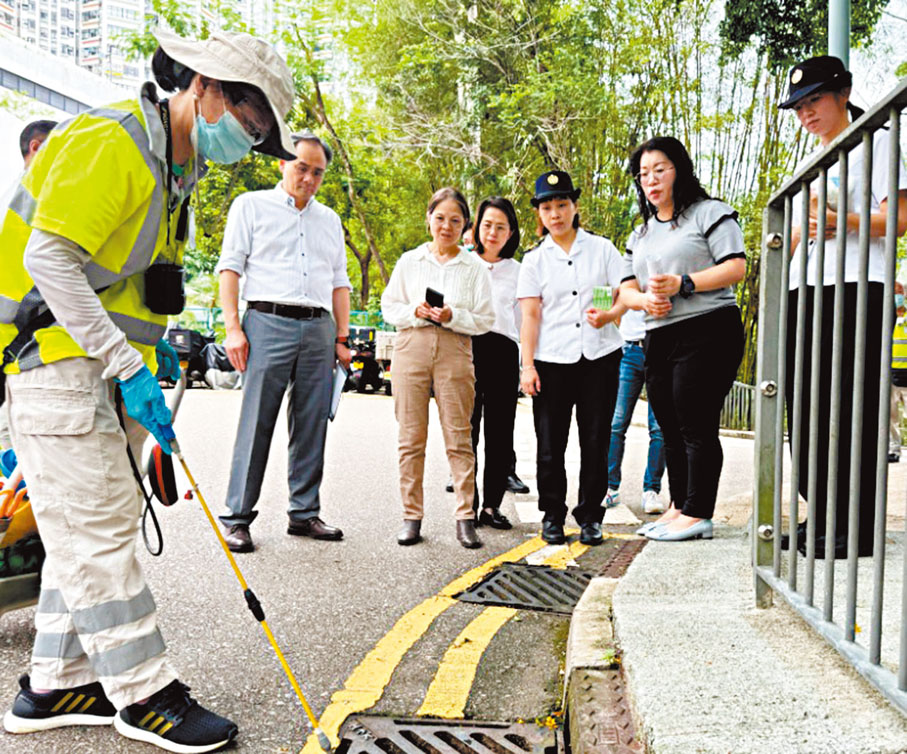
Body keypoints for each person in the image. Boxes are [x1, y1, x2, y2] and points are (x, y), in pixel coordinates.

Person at [0, 27, 296, 752]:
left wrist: (145, 359)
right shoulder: (117, 140)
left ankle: (54, 684)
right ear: (205, 85)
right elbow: (50, 260)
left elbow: (127, 280)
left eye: (261, 134)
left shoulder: (175, 165)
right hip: (54, 360)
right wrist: (127, 366)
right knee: (99, 533)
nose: (251, 140)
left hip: (100, 367)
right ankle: (143, 694)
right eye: (250, 119)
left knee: (86, 529)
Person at [779, 56, 907, 558]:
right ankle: (822, 513)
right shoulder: (810, 161)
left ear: (844, 93)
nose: (806, 113)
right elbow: (795, 231)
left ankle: (856, 525)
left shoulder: (876, 142)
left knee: (852, 405)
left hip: (856, 284)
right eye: (798, 107)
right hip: (805, 287)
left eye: (814, 100)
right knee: (806, 405)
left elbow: (897, 218)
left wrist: (844, 222)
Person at [217, 131, 350, 553]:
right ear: (281, 162)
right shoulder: (250, 206)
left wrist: (342, 338)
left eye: (318, 172)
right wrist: (233, 328)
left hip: (319, 328)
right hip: (266, 322)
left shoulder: (329, 220)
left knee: (312, 424)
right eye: (301, 167)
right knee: (256, 421)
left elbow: (340, 282)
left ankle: (304, 512)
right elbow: (230, 269)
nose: (309, 178)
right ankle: (237, 517)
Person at [620, 136, 746, 543]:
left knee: (695, 421)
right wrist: (645, 300)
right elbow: (625, 289)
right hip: (658, 333)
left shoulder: (709, 213)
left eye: (660, 170)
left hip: (708, 327)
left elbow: (735, 267)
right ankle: (679, 506)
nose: (651, 180)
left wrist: (684, 283)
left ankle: (699, 512)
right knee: (668, 423)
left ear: (680, 170)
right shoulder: (640, 234)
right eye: (643, 174)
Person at [517, 170, 627, 547]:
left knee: (595, 441)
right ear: (539, 213)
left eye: (562, 205)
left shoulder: (602, 249)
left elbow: (622, 292)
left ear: (575, 206)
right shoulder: (535, 260)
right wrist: (527, 365)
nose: (556, 214)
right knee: (550, 444)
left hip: (600, 357)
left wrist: (609, 314)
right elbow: (530, 316)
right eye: (547, 207)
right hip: (551, 361)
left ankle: (591, 516)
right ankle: (552, 515)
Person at [381, 187, 495, 548]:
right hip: (411, 347)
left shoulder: (474, 267)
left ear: (466, 226)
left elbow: (486, 318)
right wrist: (414, 310)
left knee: (459, 438)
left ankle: (465, 517)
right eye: (440, 218)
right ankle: (411, 516)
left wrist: (452, 315)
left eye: (455, 220)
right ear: (428, 218)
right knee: (410, 439)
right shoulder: (409, 261)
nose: (446, 226)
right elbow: (389, 307)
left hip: (454, 349)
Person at [0, 119, 57, 455]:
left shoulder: (16, 193)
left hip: (15, 344)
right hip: (13, 343)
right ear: (36, 147)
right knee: (11, 444)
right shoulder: (28, 197)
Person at [470, 196, 521, 529]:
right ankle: (468, 504)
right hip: (467, 351)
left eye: (500, 227)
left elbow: (524, 321)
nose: (492, 232)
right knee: (467, 432)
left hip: (504, 352)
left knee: (500, 433)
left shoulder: (520, 272)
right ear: (477, 227)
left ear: (511, 232)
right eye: (487, 225)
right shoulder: (462, 263)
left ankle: (491, 506)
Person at [605, 307, 667, 515]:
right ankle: (610, 487)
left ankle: (651, 490)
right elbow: (610, 303)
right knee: (616, 423)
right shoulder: (628, 282)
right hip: (630, 349)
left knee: (658, 428)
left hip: (661, 348)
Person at [890, 281, 907, 462]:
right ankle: (893, 450)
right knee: (890, 417)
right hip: (892, 376)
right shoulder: (887, 317)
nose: (898, 295)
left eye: (900, 292)